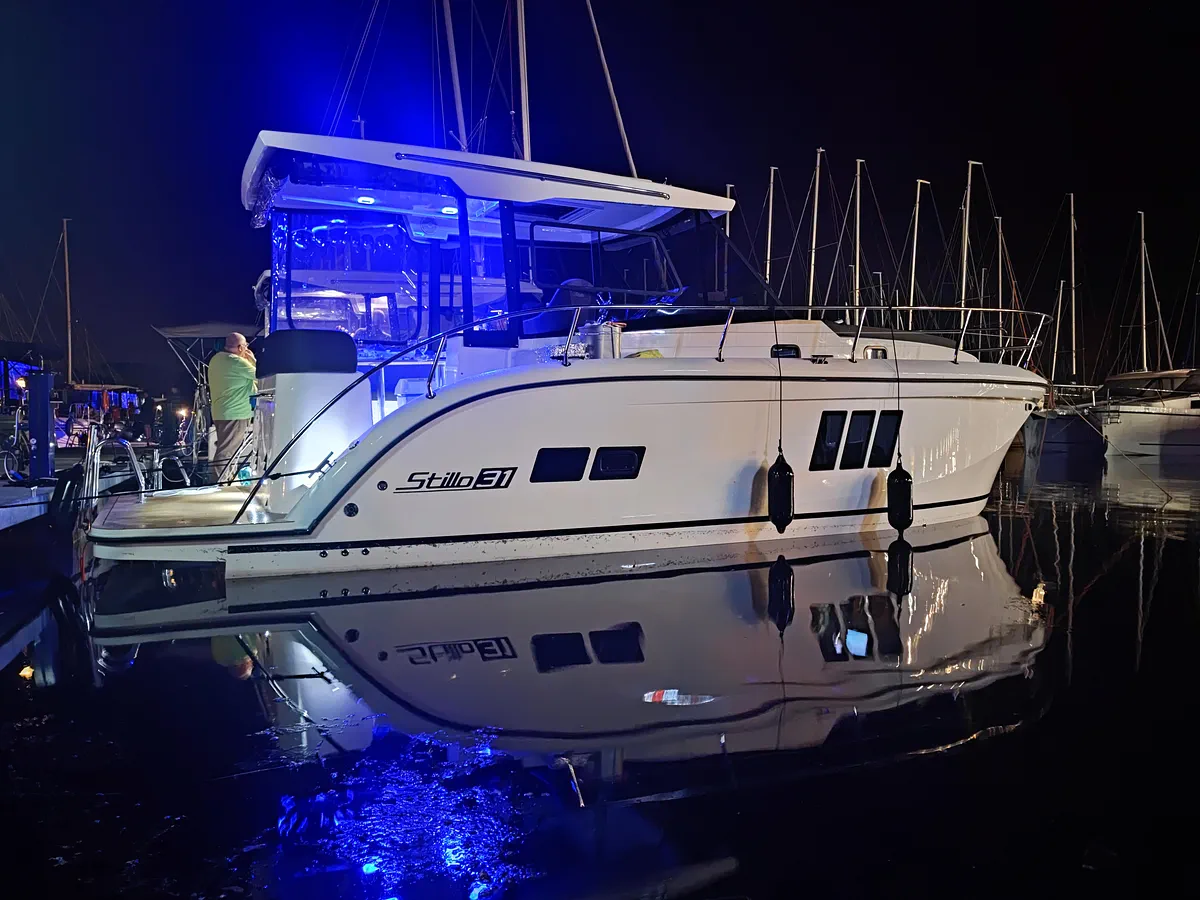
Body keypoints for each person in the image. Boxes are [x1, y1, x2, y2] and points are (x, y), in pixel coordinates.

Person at [208, 332, 256, 482]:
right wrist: (252, 360)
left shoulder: (216, 359)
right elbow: (261, 375)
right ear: (240, 347)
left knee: (229, 450)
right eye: (246, 345)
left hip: (221, 412)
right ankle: (220, 483)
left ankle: (227, 480)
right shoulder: (236, 362)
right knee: (228, 452)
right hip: (235, 414)